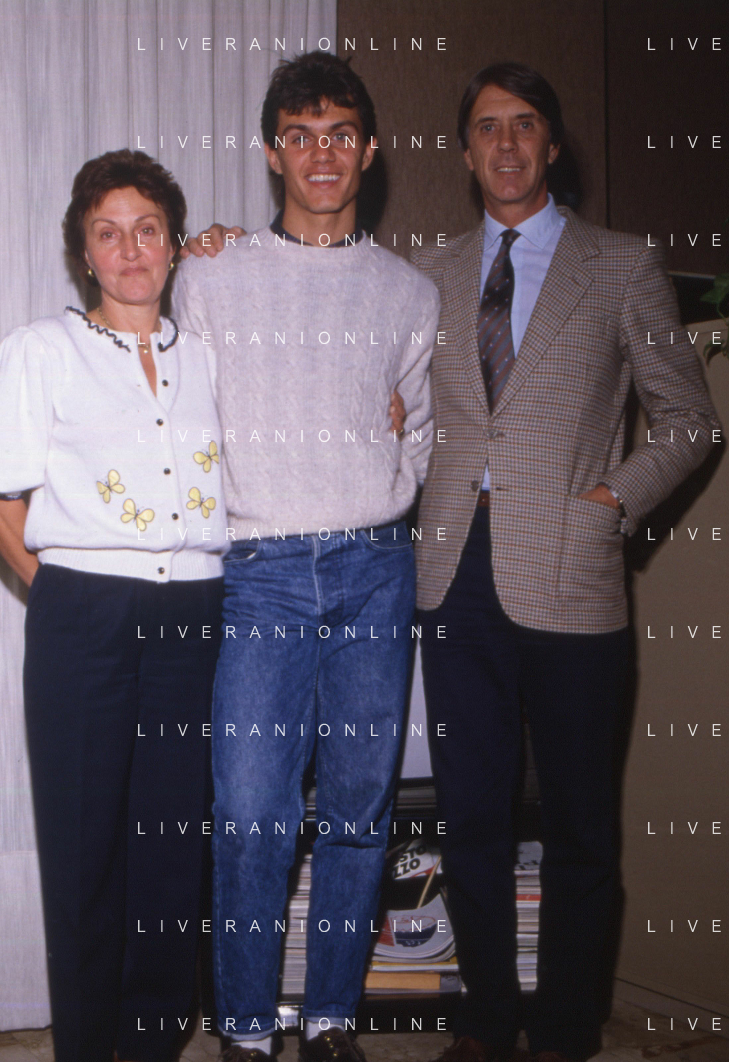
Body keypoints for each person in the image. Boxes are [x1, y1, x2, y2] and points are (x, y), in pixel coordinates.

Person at [411, 63, 721, 1062]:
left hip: (575, 574)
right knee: (471, 817)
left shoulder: (622, 264)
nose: (505, 143)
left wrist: (611, 503)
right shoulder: (429, 272)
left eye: (524, 124)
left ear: (550, 144)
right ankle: (484, 1020)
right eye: (486, 127)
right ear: (465, 152)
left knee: (581, 822)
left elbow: (690, 420)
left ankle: (565, 1029)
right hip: (454, 575)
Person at [173, 52, 440, 1062]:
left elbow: (418, 432)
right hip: (260, 573)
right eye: (300, 135)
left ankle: (330, 1019)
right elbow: (181, 421)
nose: (320, 155)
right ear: (271, 152)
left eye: (339, 135)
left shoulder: (408, 291)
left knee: (360, 813)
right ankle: (247, 1029)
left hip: (375, 569)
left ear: (368, 151)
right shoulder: (212, 274)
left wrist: (385, 484)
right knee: (250, 812)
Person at [0, 150, 227, 1062]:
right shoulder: (43, 349)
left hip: (193, 615)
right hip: (85, 617)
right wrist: (58, 587)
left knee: (171, 845)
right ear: (85, 254)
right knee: (85, 847)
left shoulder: (212, 354)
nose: (130, 249)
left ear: (174, 244)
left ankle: (149, 1042)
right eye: (108, 234)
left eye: (147, 230)